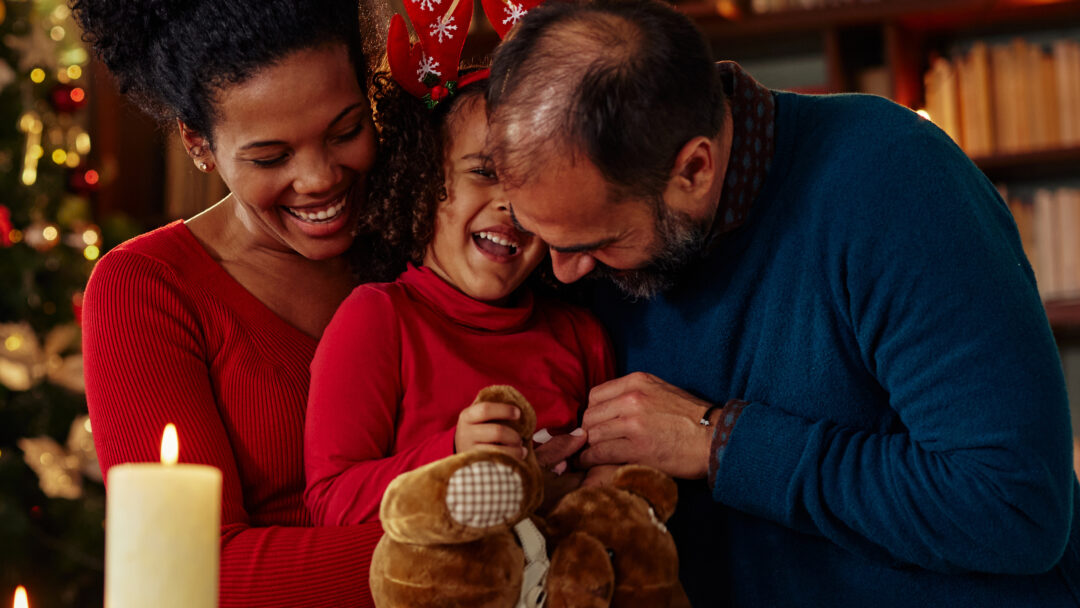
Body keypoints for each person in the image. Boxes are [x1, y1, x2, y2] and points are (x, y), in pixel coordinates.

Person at [484, 0, 1080, 605]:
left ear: (694, 169)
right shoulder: (595, 226)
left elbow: (1014, 505)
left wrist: (717, 443)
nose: (559, 271)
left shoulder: (895, 182)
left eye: (597, 243)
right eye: (546, 240)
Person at [75, 0, 400, 605]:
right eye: (270, 158)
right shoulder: (147, 289)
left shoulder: (429, 231)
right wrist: (474, 549)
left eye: (347, 130)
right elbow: (191, 569)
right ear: (199, 144)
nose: (319, 178)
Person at [303, 56, 614, 525]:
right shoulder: (378, 318)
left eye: (533, 181)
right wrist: (453, 457)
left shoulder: (580, 334)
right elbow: (332, 502)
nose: (511, 203)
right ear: (424, 181)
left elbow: (609, 483)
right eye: (485, 172)